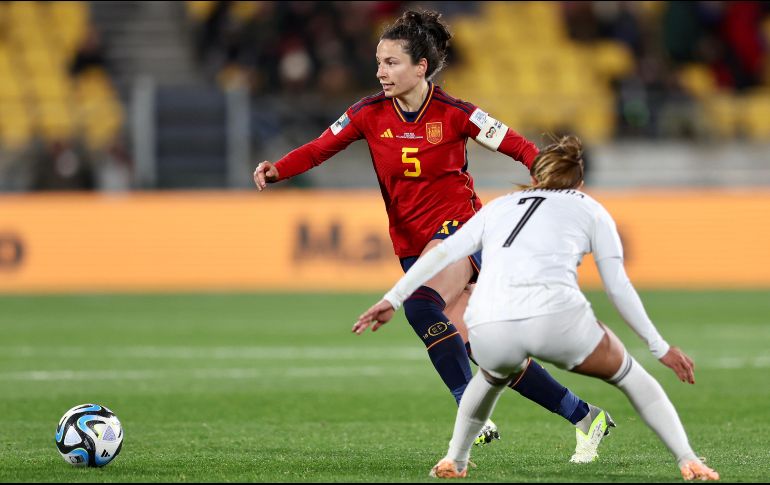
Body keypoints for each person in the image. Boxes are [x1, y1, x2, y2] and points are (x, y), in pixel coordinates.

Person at [254, 9, 612, 457]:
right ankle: (585, 416)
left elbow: (518, 145)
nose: (381, 72)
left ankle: (469, 409)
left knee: (420, 304)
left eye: (392, 62)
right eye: (379, 62)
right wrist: (279, 169)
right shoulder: (367, 113)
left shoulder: (457, 113)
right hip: (412, 243)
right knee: (487, 351)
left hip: (462, 230)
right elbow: (319, 148)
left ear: (420, 66)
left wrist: (550, 179)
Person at [354, 135, 720, 481]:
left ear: (533, 177)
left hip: (493, 322)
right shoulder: (590, 209)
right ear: (579, 183)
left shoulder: (500, 206)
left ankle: (456, 458)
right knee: (630, 376)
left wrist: (392, 299)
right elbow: (617, 286)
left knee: (488, 379)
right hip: (558, 319)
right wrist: (660, 347)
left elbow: (443, 253)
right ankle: (687, 458)